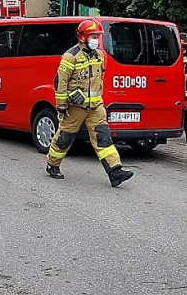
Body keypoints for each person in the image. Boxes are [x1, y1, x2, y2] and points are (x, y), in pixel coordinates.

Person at [45, 18, 133, 188]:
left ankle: (115, 171)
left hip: (95, 107)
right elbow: (60, 83)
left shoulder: (99, 55)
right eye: (94, 36)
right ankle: (53, 164)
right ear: (83, 37)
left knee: (103, 137)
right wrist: (62, 106)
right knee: (65, 138)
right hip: (75, 107)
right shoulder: (70, 57)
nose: (96, 40)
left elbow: (99, 79)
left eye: (98, 36)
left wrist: (99, 100)